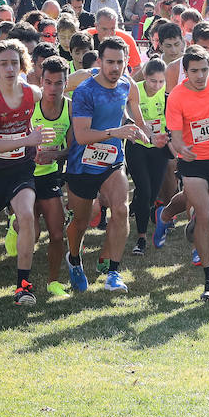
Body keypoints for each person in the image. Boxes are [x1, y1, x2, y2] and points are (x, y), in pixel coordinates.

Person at [156, 45, 209, 301]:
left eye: (204, 70)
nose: (200, 76)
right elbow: (175, 136)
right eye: (194, 71)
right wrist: (182, 147)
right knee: (205, 216)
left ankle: (176, 214)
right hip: (192, 162)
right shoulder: (177, 96)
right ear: (185, 72)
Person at [64, 36, 147, 294]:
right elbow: (82, 136)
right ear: (99, 61)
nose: (115, 68)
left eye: (120, 62)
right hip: (82, 165)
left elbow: (136, 121)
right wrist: (116, 131)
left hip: (112, 162)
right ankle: (74, 259)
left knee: (120, 210)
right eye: (109, 62)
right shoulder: (85, 91)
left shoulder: (126, 85)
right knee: (80, 221)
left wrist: (148, 135)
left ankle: (113, 271)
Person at [0, 40, 50, 305]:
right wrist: (28, 139)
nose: (9, 68)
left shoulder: (32, 93)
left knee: (27, 217)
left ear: (22, 66)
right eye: (3, 63)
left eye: (14, 63)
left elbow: (56, 93)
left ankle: (23, 286)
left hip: (20, 168)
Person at [26, 55, 72, 295]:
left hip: (50, 175)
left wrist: (57, 155)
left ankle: (53, 281)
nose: (53, 88)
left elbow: (74, 146)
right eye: (48, 82)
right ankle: (22, 281)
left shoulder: (70, 107)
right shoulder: (29, 104)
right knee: (31, 233)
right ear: (40, 81)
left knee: (56, 232)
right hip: (23, 175)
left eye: (59, 83)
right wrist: (29, 150)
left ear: (66, 83)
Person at [125, 58, 171, 259]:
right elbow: (127, 112)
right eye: (153, 81)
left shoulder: (167, 92)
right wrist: (139, 129)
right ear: (145, 77)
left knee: (151, 195)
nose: (157, 86)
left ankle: (135, 207)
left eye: (161, 82)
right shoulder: (135, 90)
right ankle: (141, 238)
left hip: (159, 147)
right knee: (144, 191)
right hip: (138, 146)